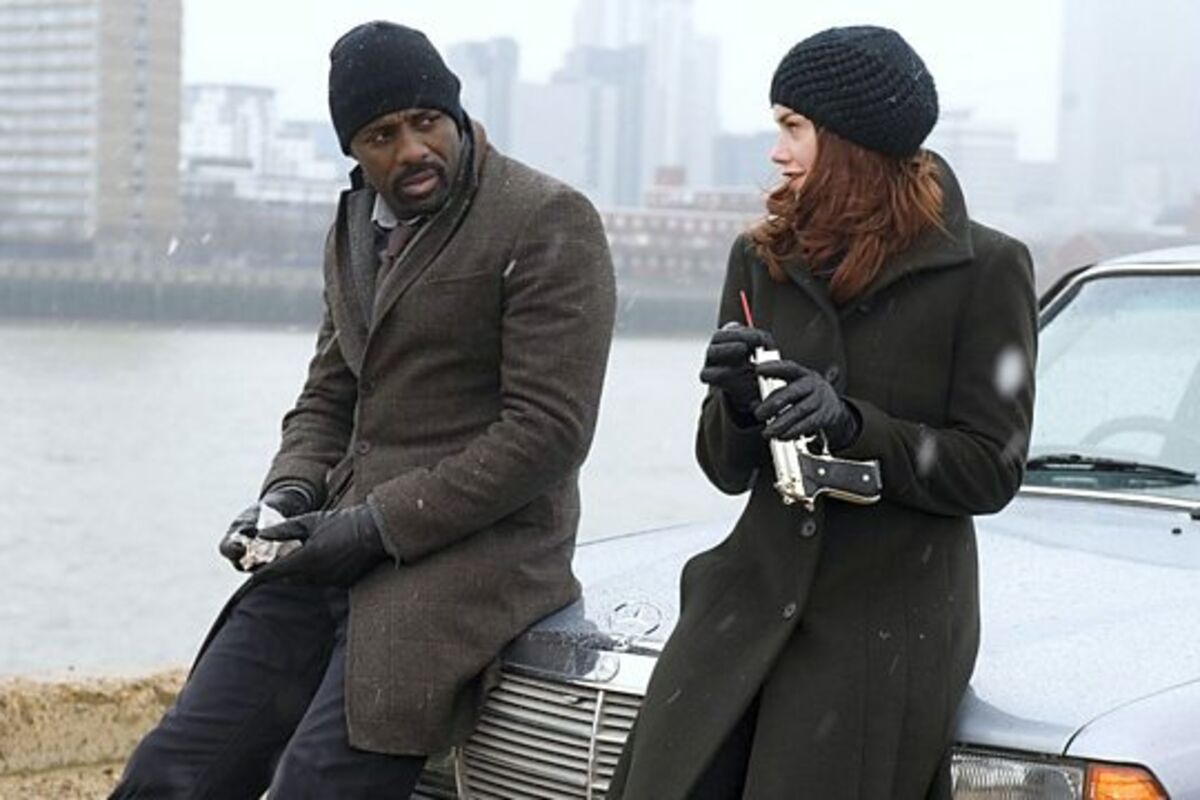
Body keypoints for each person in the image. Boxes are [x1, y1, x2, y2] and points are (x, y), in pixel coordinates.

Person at [111, 20, 615, 799]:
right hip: (337, 543)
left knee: (316, 784)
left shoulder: (546, 218)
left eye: (426, 122)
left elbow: (548, 433)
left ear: (456, 116)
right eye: (382, 135)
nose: (411, 149)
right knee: (173, 770)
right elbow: (329, 395)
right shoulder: (354, 227)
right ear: (353, 150)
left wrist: (376, 527)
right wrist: (286, 497)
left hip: (478, 554)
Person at [610, 25, 1036, 800]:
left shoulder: (990, 269)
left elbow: (990, 470)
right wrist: (737, 406)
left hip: (884, 626)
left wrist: (852, 426)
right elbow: (724, 471)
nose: (777, 152)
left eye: (793, 127)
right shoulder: (760, 258)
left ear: (851, 140)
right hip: (745, 601)